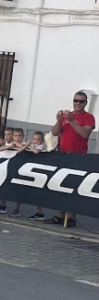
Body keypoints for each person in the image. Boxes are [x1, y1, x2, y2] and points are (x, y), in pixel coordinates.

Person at [45, 91, 96, 228]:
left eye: (81, 101)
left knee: (73, 187)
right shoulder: (65, 117)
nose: (77, 103)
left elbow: (84, 134)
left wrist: (72, 121)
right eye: (76, 100)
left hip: (78, 156)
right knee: (61, 185)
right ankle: (60, 215)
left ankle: (72, 216)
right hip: (63, 154)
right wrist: (58, 120)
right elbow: (55, 133)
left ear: (85, 103)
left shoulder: (88, 117)